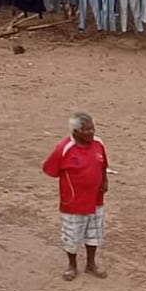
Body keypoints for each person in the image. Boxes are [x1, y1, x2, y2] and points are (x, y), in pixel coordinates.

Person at [42, 112, 109, 281]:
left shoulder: (98, 143)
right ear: (75, 131)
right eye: (86, 130)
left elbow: (103, 165)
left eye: (92, 128)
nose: (91, 133)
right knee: (72, 235)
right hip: (73, 202)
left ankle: (91, 264)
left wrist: (104, 180)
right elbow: (50, 169)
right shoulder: (63, 149)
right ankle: (72, 266)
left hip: (96, 199)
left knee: (94, 233)